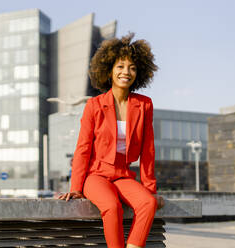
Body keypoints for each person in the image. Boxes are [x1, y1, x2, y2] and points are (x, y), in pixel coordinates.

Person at [57, 33, 165, 248]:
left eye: (132, 67)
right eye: (120, 66)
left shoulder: (144, 105)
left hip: (123, 174)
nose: (126, 72)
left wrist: (150, 187)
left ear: (139, 72)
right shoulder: (94, 105)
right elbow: (83, 148)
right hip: (96, 175)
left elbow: (148, 149)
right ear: (109, 70)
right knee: (112, 206)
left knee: (147, 203)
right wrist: (76, 188)